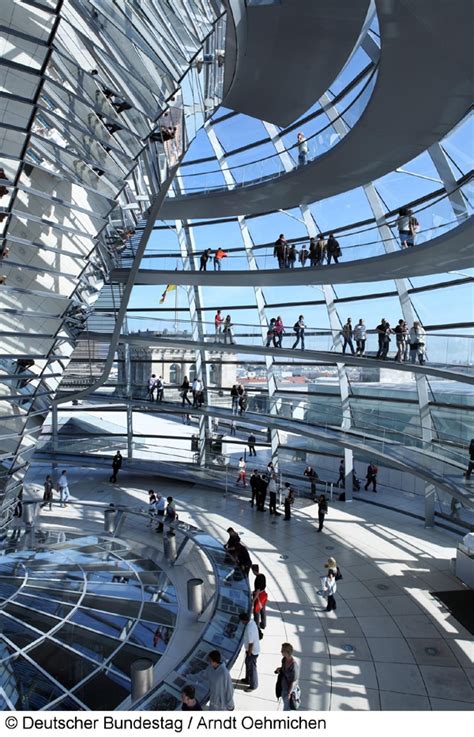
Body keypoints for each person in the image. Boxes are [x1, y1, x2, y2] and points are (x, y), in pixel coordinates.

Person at [239, 611, 260, 691]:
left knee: (252, 668)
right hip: (251, 650)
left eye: (241, 621)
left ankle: (253, 685)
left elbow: (251, 643)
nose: (241, 622)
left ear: (244, 620)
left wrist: (249, 654)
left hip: (252, 652)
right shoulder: (252, 622)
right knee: (248, 665)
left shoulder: (249, 629)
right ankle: (248, 679)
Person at [275, 643, 299, 712]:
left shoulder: (294, 666)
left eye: (282, 651)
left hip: (289, 688)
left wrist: (289, 693)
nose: (281, 652)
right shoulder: (284, 660)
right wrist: (280, 669)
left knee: (287, 706)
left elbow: (294, 681)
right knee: (285, 702)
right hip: (283, 685)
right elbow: (284, 669)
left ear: (287, 652)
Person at [252, 564, 267, 630]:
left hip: (259, 598)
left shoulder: (257, 579)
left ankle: (256, 627)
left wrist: (253, 601)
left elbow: (258, 591)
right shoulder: (262, 576)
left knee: (256, 612)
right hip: (264, 595)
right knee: (263, 610)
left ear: (253, 571)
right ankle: (263, 624)